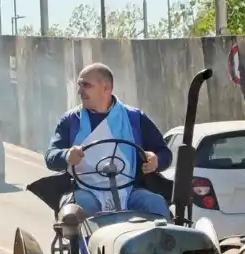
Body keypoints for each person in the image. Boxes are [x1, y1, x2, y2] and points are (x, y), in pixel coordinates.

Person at [43, 62, 172, 218]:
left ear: (106, 88)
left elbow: (165, 153)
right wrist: (67, 156)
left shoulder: (135, 118)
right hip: (85, 191)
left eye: (86, 85)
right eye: (79, 85)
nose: (79, 91)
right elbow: (51, 156)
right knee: (76, 210)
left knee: (156, 203)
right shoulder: (71, 120)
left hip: (130, 191)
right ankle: (86, 243)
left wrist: (156, 160)